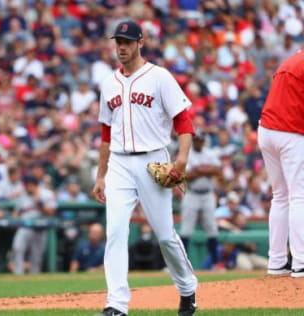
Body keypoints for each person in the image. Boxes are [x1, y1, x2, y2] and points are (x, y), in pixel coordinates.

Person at [92, 20, 198, 316]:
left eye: (127, 41)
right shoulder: (109, 83)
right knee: (115, 231)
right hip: (119, 163)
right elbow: (104, 133)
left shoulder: (159, 77)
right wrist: (101, 175)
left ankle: (187, 288)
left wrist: (181, 162)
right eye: (118, 42)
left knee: (165, 235)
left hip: (154, 159)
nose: (121, 47)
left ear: (140, 43)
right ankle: (116, 304)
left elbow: (184, 121)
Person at [257, 49, 304, 278]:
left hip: (266, 131)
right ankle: (301, 262)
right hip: (290, 132)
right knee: (299, 195)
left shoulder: (291, 59)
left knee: (281, 196)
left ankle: (276, 261)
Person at [179, 130, 222, 270]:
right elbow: (185, 175)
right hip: (191, 193)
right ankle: (182, 265)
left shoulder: (209, 153)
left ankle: (216, 264)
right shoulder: (188, 154)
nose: (199, 142)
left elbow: (217, 170)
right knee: (186, 230)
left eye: (201, 139)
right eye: (197, 139)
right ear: (193, 140)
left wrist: (199, 171)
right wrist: (205, 171)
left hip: (207, 194)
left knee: (212, 229)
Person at [11, 175, 56, 275]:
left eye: (29, 185)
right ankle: (18, 275)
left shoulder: (47, 194)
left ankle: (34, 277)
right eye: (26, 185)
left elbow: (52, 212)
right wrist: (16, 216)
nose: (27, 187)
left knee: (36, 256)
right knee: (17, 248)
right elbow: (16, 212)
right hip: (24, 227)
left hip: (40, 228)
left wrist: (39, 203)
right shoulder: (23, 195)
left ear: (35, 185)